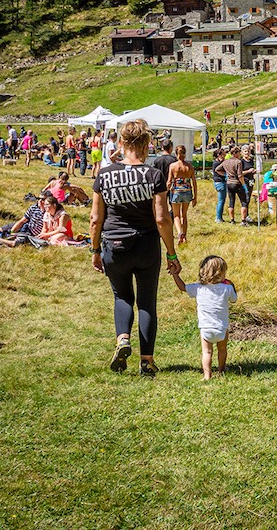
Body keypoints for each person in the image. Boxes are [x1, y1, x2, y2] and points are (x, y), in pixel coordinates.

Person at [91, 119, 180, 377]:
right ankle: (147, 361)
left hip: (114, 244)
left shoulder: (104, 175)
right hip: (146, 244)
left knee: (122, 297)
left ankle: (122, 339)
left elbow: (96, 218)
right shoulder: (154, 175)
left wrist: (95, 250)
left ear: (121, 143)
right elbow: (163, 218)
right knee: (147, 303)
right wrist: (172, 253)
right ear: (146, 144)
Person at [171, 255, 237, 380]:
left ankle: (207, 375)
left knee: (207, 352)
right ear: (221, 273)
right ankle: (221, 369)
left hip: (205, 328)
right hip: (221, 327)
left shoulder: (198, 288)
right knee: (222, 349)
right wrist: (232, 286)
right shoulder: (226, 288)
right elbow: (234, 299)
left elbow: (182, 287)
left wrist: (175, 274)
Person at [167, 145, 197, 244]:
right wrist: (195, 197)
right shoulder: (190, 166)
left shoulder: (173, 166)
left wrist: (166, 192)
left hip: (176, 191)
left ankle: (180, 233)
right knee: (184, 215)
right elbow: (194, 183)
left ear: (176, 154)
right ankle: (184, 236)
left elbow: (169, 182)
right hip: (187, 191)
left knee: (176, 216)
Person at [220, 146, 248, 224]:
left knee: (231, 202)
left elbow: (217, 169)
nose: (240, 154)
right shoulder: (238, 162)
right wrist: (244, 185)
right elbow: (240, 175)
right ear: (235, 153)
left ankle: (232, 220)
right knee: (243, 202)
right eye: (239, 153)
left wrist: (226, 174)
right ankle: (243, 220)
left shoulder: (225, 161)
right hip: (237, 183)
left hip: (229, 183)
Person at [211, 148, 228, 223]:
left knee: (222, 200)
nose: (224, 157)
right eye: (223, 155)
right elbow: (217, 171)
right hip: (220, 182)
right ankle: (218, 217)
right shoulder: (217, 163)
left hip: (219, 182)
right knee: (221, 200)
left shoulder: (218, 162)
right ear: (219, 155)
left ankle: (219, 217)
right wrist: (226, 175)